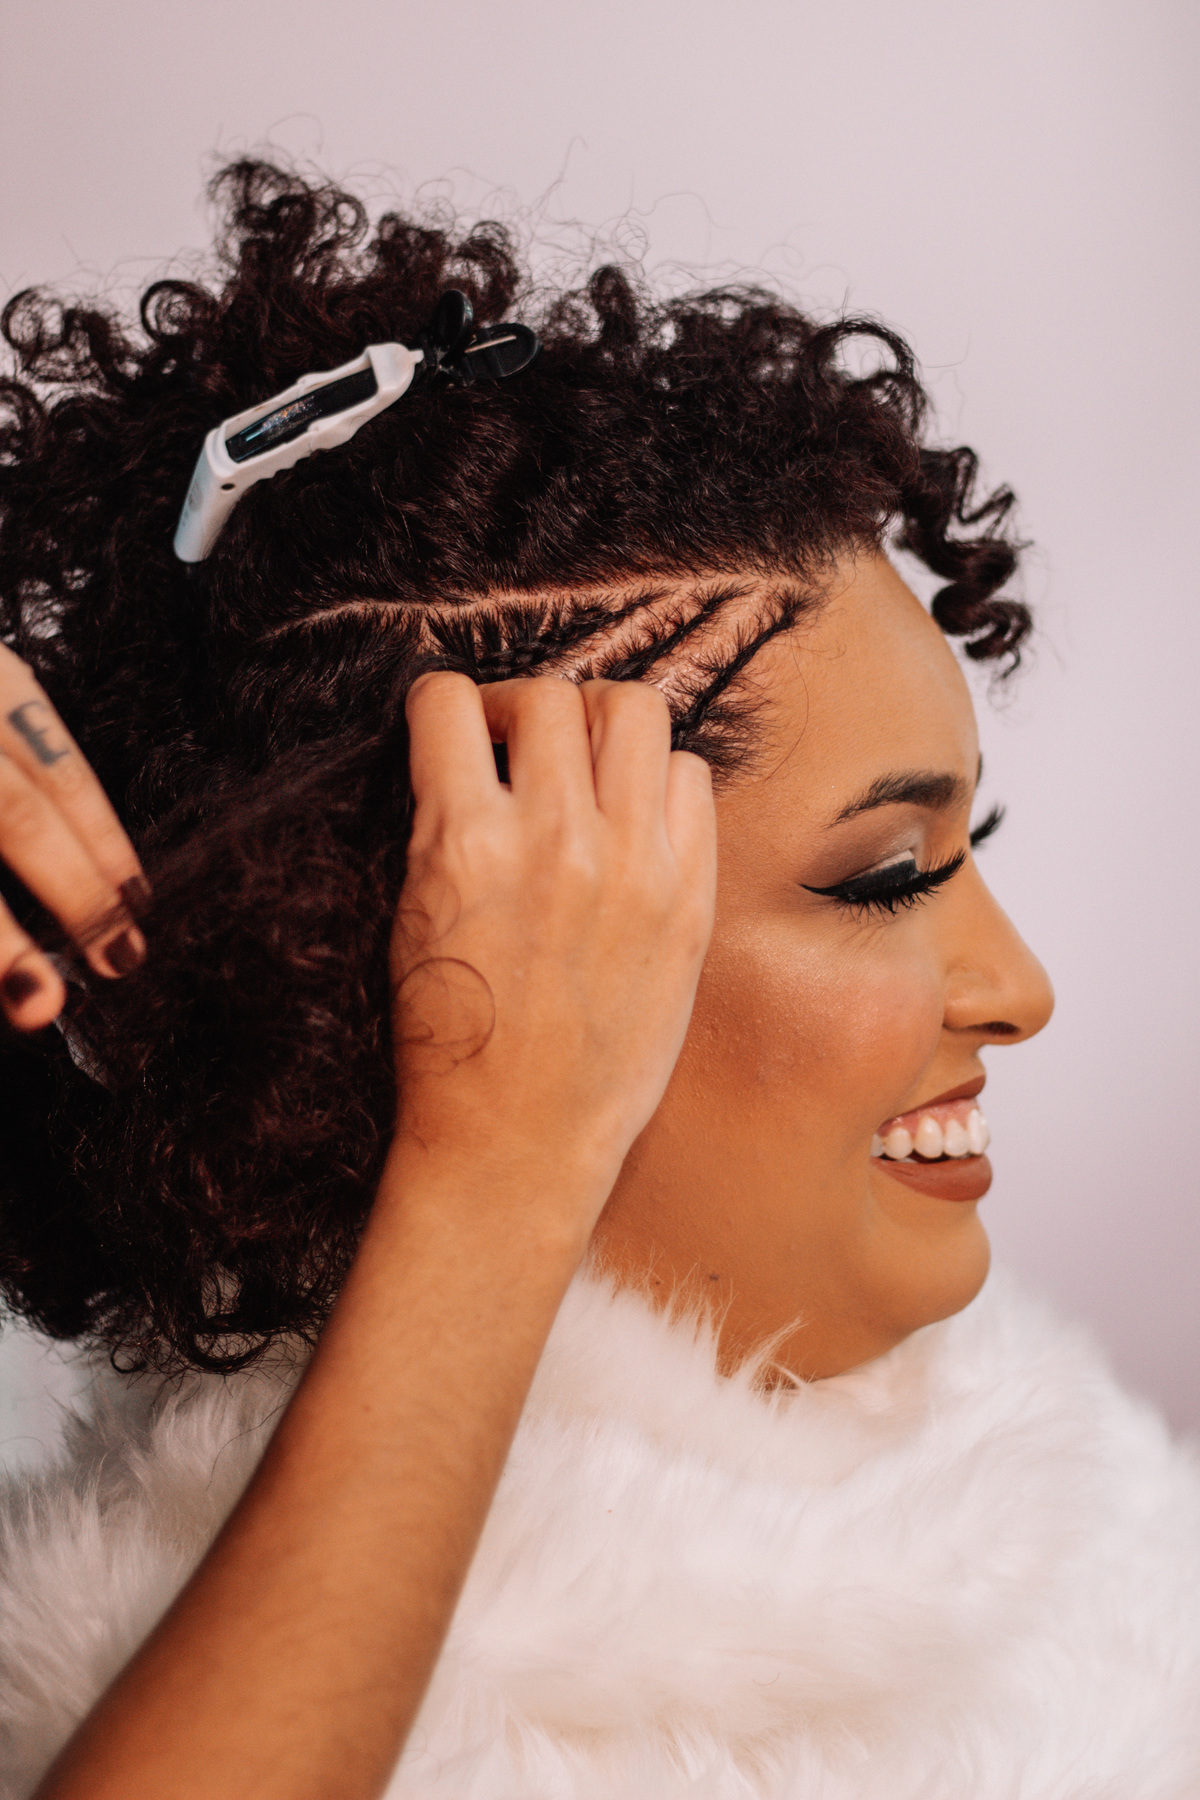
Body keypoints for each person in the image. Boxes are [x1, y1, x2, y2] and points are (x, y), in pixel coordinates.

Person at [0, 159, 1196, 1800]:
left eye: (964, 845)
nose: (1022, 988)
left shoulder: (1112, 1579)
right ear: (416, 959)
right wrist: (495, 1168)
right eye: (884, 879)